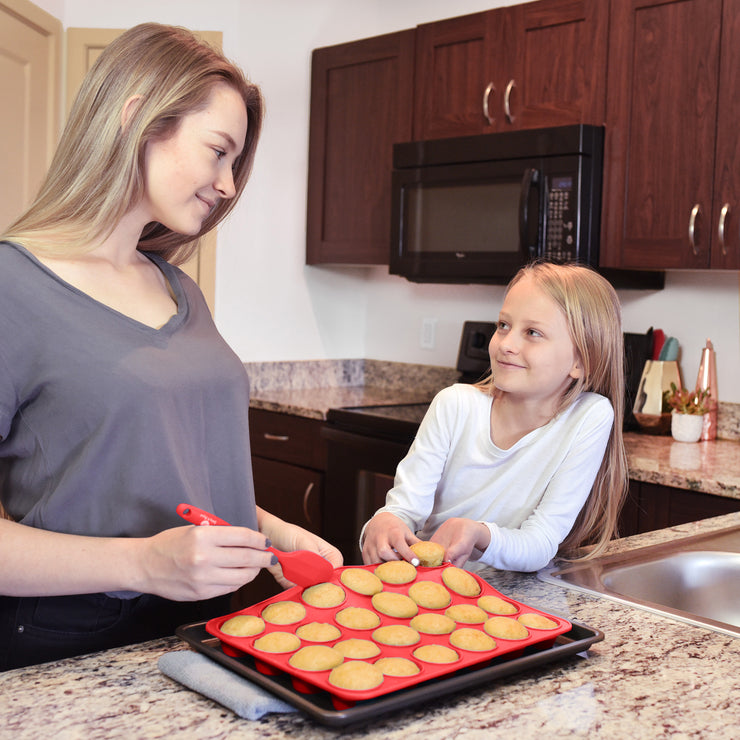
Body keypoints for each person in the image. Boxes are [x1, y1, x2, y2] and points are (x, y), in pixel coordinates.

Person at [0, 23, 341, 672]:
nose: (229, 184)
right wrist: (144, 563)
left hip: (208, 625)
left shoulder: (177, 288)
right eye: (218, 151)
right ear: (139, 120)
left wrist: (274, 532)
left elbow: (170, 473)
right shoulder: (11, 287)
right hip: (70, 645)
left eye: (235, 162)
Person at [362, 261, 628, 573]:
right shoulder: (454, 405)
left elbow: (541, 542)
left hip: (508, 603)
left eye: (532, 332)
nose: (507, 344)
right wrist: (385, 522)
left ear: (581, 362)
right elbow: (403, 509)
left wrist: (480, 534)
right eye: (503, 325)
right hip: (426, 585)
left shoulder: (589, 417)